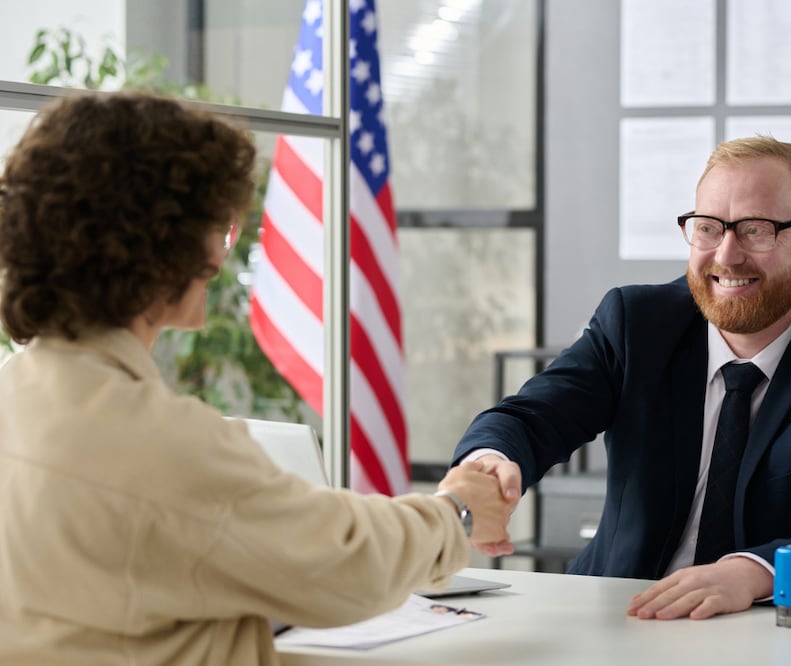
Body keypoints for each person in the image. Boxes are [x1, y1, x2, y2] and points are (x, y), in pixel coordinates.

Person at [0, 92, 513, 665]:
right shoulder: (153, 441)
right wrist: (455, 512)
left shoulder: (17, 395)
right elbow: (344, 566)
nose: (225, 245)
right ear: (162, 245)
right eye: (215, 223)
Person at [452, 136, 791, 620]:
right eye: (708, 228)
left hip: (764, 626)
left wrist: (752, 572)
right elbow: (534, 417)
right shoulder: (637, 322)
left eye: (757, 230)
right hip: (616, 615)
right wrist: (493, 462)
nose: (727, 255)